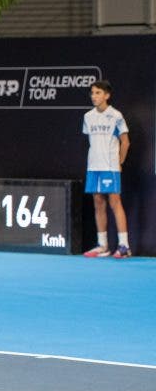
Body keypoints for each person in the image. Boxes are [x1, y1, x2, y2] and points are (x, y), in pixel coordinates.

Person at [82, 80, 131, 258]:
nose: (94, 96)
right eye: (92, 93)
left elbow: (125, 141)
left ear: (107, 95)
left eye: (98, 93)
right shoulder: (88, 117)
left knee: (114, 202)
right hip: (93, 166)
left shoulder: (116, 116)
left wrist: (120, 162)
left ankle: (124, 246)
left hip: (110, 166)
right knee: (98, 203)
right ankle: (102, 245)